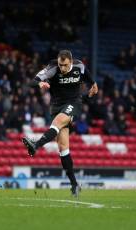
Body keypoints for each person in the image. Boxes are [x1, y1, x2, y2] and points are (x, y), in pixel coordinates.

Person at [22, 50, 98, 197]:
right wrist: (40, 83)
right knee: (63, 148)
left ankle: (35, 145)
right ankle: (75, 185)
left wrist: (94, 85)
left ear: (70, 62)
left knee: (57, 122)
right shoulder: (52, 68)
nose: (62, 68)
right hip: (56, 106)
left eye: (65, 65)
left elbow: (89, 78)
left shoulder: (79, 66)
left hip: (73, 104)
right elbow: (33, 81)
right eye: (60, 65)